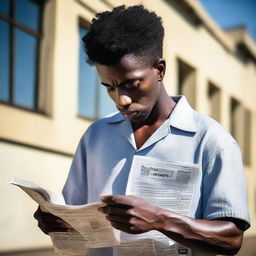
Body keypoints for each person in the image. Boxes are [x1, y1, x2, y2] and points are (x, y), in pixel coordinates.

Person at [34, 5, 250, 256]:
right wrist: (56, 222)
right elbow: (74, 217)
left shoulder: (212, 140)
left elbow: (232, 239)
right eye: (110, 87)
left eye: (131, 84)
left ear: (159, 69)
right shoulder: (95, 136)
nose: (121, 100)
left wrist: (161, 220)